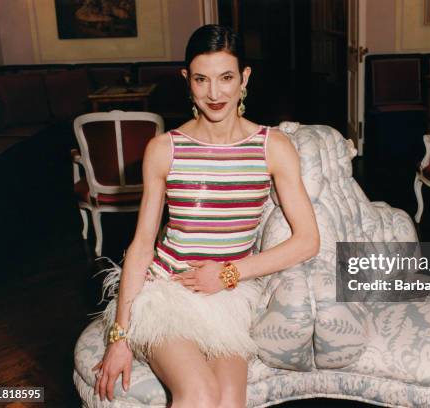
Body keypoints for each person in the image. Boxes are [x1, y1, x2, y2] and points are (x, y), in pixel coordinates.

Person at [90, 24, 320, 408]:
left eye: (226, 77)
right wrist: (120, 337)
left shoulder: (272, 147)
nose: (215, 93)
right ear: (187, 80)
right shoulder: (165, 149)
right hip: (164, 294)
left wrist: (228, 274)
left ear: (244, 78)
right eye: (202, 79)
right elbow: (142, 245)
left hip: (227, 297)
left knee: (230, 400)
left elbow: (308, 240)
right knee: (198, 394)